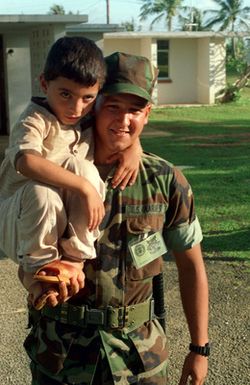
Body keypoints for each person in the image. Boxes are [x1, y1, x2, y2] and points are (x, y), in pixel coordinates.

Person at [22, 52, 209, 385]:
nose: (123, 120)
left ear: (147, 114)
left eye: (135, 109)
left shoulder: (164, 180)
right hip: (61, 355)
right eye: (112, 106)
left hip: (140, 358)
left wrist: (199, 348)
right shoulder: (56, 164)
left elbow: (191, 265)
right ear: (93, 107)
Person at [0, 38, 141, 308]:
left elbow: (123, 128)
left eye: (88, 98)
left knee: (81, 167)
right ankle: (39, 274)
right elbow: (27, 162)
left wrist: (133, 146)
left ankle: (74, 260)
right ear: (44, 84)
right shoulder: (34, 119)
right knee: (45, 190)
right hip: (15, 220)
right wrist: (84, 188)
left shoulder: (86, 120)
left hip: (53, 222)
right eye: (65, 94)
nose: (76, 108)